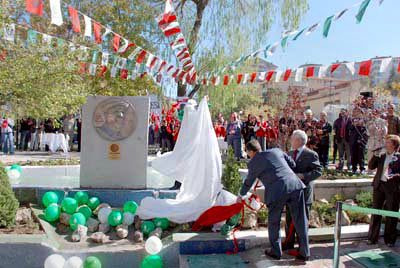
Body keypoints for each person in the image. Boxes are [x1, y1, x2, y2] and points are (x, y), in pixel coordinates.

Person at [237, 140, 310, 261]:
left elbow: (248, 182)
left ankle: (276, 251)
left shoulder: (254, 163)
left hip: (276, 192)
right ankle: (305, 252)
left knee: (274, 222)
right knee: (300, 220)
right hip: (295, 185)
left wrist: (241, 195)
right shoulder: (276, 151)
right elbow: (292, 164)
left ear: (250, 151)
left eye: (247, 152)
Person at [283, 130, 322, 252]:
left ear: (299, 141)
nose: (291, 141)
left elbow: (318, 171)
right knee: (289, 219)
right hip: (291, 193)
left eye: (293, 139)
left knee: (302, 221)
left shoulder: (311, 154)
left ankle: (302, 247)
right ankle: (288, 242)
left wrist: (303, 176)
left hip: (304, 194)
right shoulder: (289, 153)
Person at [367, 135, 400, 247]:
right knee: (376, 212)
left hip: (392, 188)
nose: (385, 144)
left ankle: (390, 240)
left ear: (394, 145)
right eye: (386, 142)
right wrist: (375, 156)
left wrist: (394, 176)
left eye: (388, 142)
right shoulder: (381, 156)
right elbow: (371, 167)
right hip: (379, 186)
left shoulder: (398, 157)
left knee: (391, 213)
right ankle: (372, 238)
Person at [349, 108, 368, 174]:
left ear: (361, 113)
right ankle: (354, 169)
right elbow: (349, 128)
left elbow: (366, 129)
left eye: (358, 112)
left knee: (361, 155)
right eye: (356, 111)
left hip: (361, 140)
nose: (357, 113)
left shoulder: (364, 120)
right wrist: (353, 125)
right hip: (353, 140)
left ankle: (362, 168)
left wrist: (362, 125)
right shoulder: (351, 120)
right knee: (353, 155)